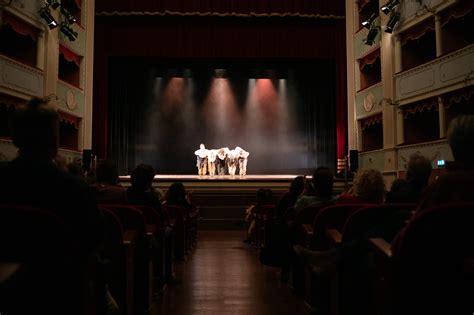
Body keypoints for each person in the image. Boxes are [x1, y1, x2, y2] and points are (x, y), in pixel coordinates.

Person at [0, 97, 104, 314]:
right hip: (64, 293)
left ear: (14, 137)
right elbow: (93, 241)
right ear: (55, 139)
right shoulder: (74, 189)